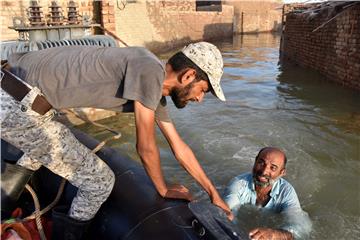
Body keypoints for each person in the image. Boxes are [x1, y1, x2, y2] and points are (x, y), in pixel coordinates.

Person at [1, 42, 233, 240]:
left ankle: (4, 209)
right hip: (17, 104)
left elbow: (179, 146)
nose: (200, 99)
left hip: (12, 89)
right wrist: (162, 188)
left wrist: (214, 194)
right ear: (189, 75)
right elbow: (145, 147)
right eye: (203, 90)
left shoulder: (149, 73)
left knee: (41, 147)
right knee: (99, 181)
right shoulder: (149, 72)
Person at [224, 147, 311, 240]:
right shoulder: (238, 183)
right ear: (255, 161)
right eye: (261, 163)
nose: (264, 171)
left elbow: (301, 227)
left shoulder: (286, 192)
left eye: (273, 168)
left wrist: (275, 234)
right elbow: (227, 211)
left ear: (282, 173)